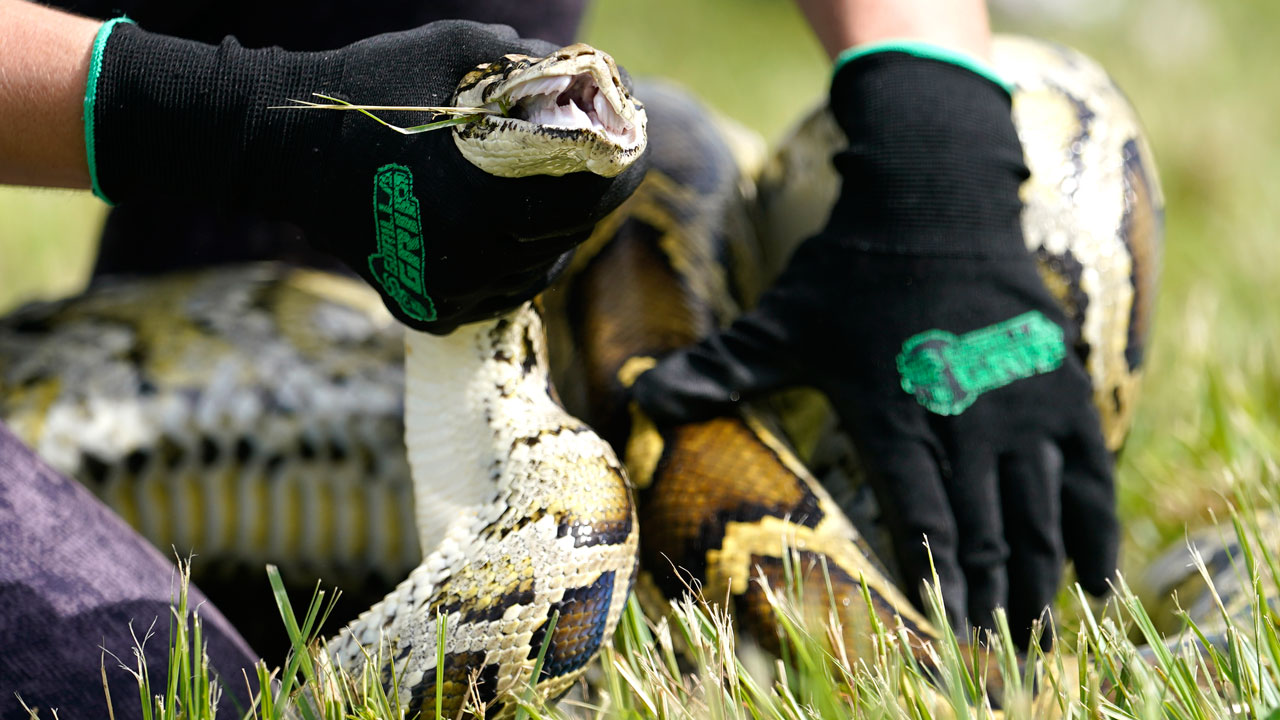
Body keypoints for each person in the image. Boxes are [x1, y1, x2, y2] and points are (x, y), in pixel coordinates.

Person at [0, 0, 1117, 714]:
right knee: (136, 691)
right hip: (200, 240)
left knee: (1049, 138)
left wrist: (934, 150)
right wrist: (224, 122)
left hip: (495, 291)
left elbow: (942, 115)